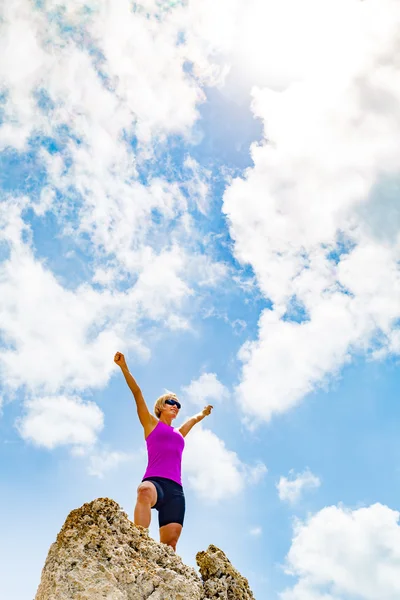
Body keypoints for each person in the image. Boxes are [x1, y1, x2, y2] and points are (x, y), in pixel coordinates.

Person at [114, 351, 213, 551]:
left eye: (178, 405)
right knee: (144, 491)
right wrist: (124, 367)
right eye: (171, 402)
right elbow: (137, 393)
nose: (175, 406)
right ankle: (138, 544)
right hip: (155, 481)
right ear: (161, 406)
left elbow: (192, 421)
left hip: (175, 490)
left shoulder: (178, 433)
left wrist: (203, 413)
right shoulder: (151, 424)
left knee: (170, 546)